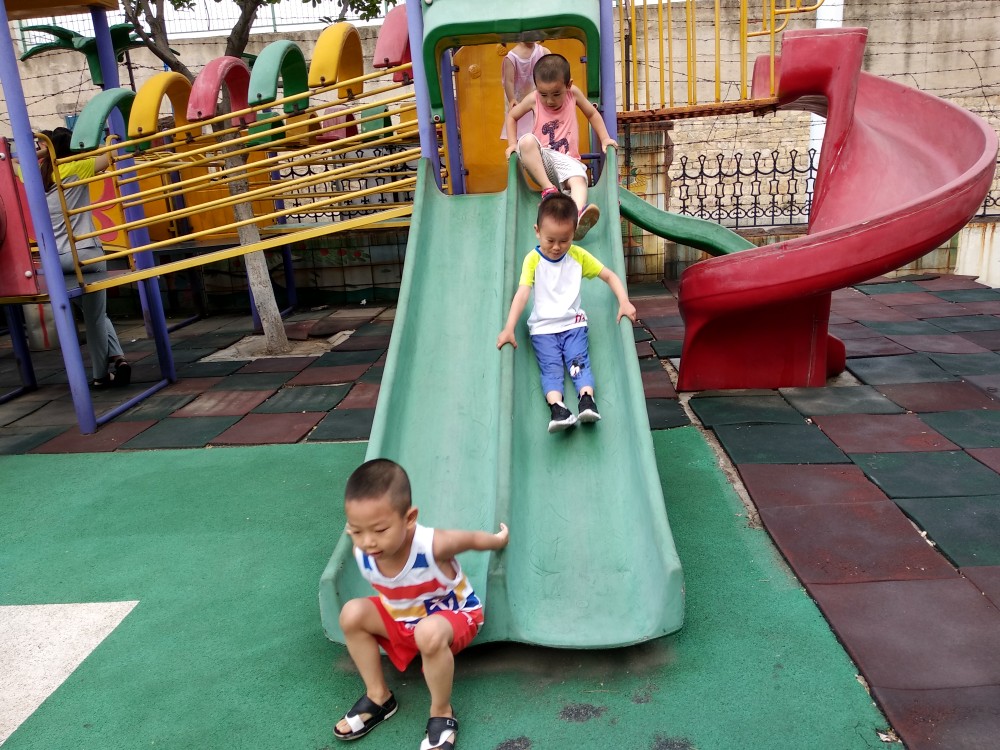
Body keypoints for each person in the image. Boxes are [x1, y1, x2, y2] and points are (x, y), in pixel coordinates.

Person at [334, 458, 509, 749]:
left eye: (380, 530)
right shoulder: (362, 552)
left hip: (453, 618)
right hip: (405, 620)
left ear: (409, 518)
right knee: (351, 613)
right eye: (357, 530)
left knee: (428, 632)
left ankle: (442, 711)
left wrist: (498, 540)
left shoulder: (432, 546)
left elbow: (471, 540)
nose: (368, 541)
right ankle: (379, 696)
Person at [496, 192, 637, 433]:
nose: (556, 247)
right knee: (551, 369)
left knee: (578, 363)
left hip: (574, 325)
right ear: (537, 231)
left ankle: (587, 400)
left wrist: (624, 301)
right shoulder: (533, 260)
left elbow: (609, 275)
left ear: (574, 233)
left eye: (565, 240)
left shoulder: (577, 257)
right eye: (550, 240)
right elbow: (522, 294)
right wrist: (509, 328)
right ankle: (558, 409)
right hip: (543, 330)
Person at [36, 127, 130, 388]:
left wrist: (38, 153)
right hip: (85, 254)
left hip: (53, 260)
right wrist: (107, 140)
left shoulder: (35, 174)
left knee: (94, 311)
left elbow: (13, 162)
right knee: (95, 316)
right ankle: (100, 376)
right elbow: (111, 154)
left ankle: (119, 358)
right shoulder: (78, 167)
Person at [504, 53, 619, 241]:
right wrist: (511, 144)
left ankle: (576, 216)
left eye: (556, 94)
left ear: (568, 85)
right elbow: (512, 116)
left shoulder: (573, 95)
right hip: (544, 161)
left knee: (579, 180)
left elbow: (592, 114)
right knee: (526, 141)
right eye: (544, 94)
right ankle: (548, 191)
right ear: (536, 88)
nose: (549, 100)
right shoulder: (533, 99)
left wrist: (605, 138)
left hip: (569, 162)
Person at [498, 38, 549, 141]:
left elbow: (553, 69)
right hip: (519, 101)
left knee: (538, 130)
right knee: (519, 131)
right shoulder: (511, 57)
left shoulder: (543, 52)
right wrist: (512, 99)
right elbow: (509, 81)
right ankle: (518, 146)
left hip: (537, 99)